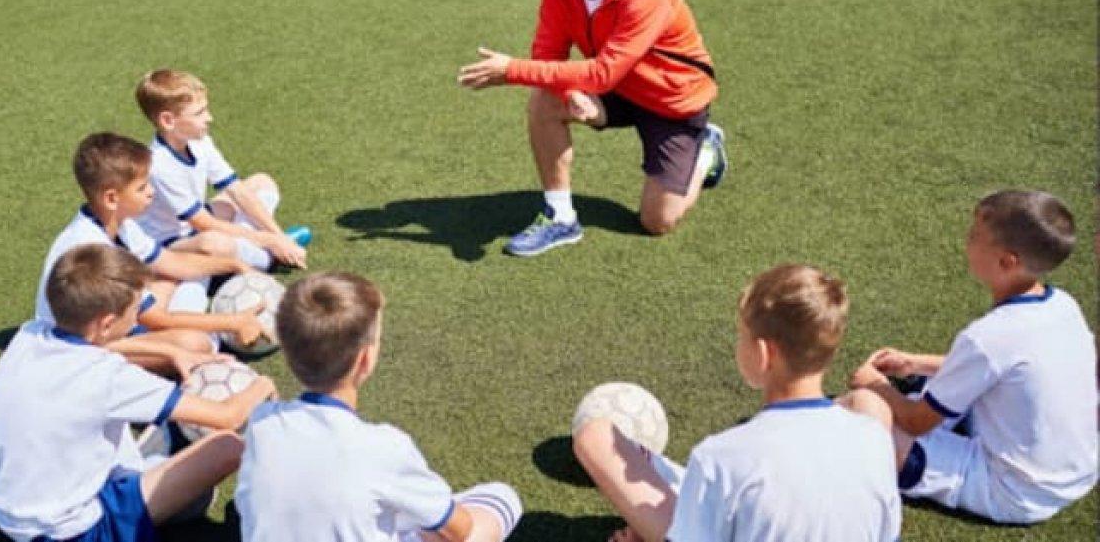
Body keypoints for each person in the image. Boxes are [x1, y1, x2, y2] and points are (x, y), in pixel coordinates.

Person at [458, 0, 727, 256]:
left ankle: (706, 151)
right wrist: (568, 93)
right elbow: (548, 57)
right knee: (544, 100)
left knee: (657, 221)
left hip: (672, 100)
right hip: (617, 87)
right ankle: (560, 218)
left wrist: (511, 70)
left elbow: (603, 72)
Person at [0, 244, 277, 542]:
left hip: (1, 509)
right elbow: (227, 416)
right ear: (106, 323)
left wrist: (172, 353)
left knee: (146, 438)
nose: (139, 317)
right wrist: (262, 384)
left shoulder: (30, 334)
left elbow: (101, 344)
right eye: (135, 309)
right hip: (72, 531)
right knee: (226, 446)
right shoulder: (107, 376)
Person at [573, 264, 901, 541]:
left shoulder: (721, 457)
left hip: (730, 494)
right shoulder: (873, 437)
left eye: (740, 336)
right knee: (868, 403)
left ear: (763, 354)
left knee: (595, 437)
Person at [849, 190, 1097, 524]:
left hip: (1012, 491)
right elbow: (1006, 366)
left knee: (858, 412)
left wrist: (877, 386)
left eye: (974, 236)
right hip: (1073, 475)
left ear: (1007, 261)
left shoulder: (988, 337)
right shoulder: (1063, 304)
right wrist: (915, 362)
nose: (966, 241)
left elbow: (916, 422)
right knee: (926, 384)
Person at [235, 272, 523, 542]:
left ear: (286, 353)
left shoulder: (262, 423)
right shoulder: (385, 448)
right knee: (501, 499)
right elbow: (460, 529)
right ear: (365, 360)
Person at [34, 132, 266, 356]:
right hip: (83, 348)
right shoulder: (92, 249)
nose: (151, 192)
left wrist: (234, 265)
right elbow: (155, 318)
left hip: (113, 324)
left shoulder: (120, 223)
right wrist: (232, 322)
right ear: (112, 198)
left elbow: (172, 263)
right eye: (142, 187)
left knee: (168, 276)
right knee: (194, 343)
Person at [134, 69, 308, 275]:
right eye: (199, 113)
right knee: (214, 243)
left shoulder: (200, 140)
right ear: (168, 121)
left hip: (196, 223)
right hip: (170, 242)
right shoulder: (160, 165)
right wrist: (270, 241)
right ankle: (266, 258)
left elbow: (237, 190)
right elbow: (203, 223)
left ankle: (252, 249)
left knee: (262, 182)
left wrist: (279, 236)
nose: (209, 118)